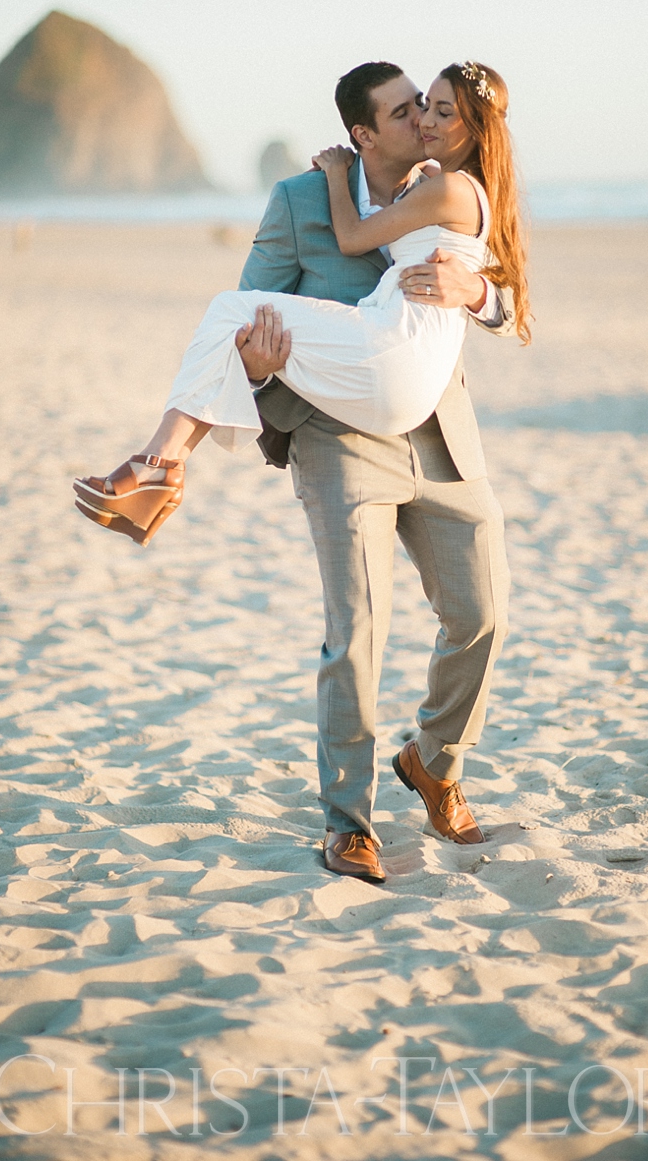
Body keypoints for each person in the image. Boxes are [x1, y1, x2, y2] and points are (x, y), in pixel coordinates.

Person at [74, 61, 529, 884]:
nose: (421, 120)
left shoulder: (444, 184)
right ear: (363, 133)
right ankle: (350, 822)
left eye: (427, 110)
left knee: (482, 615)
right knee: (355, 631)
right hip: (337, 439)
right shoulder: (296, 199)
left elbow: (509, 296)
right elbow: (252, 307)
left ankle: (434, 763)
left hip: (440, 435)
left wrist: (474, 294)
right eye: (406, 111)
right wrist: (251, 368)